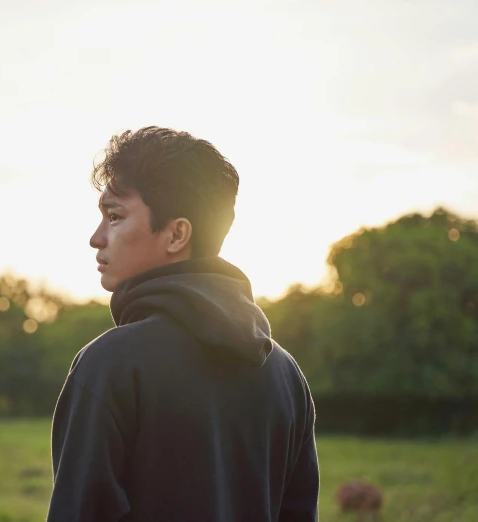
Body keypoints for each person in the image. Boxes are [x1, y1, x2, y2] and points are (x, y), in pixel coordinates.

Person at [46, 126, 319, 522]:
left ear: (177, 234)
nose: (96, 238)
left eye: (115, 216)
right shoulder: (286, 374)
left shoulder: (110, 365)